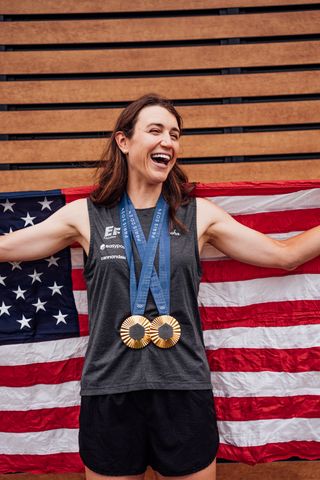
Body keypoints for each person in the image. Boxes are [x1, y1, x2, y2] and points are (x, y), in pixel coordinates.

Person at [1, 93, 320, 480]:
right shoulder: (86, 215)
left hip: (183, 389)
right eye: (155, 131)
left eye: (174, 134)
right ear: (124, 141)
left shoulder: (199, 214)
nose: (168, 141)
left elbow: (284, 254)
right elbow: (7, 247)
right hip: (109, 391)